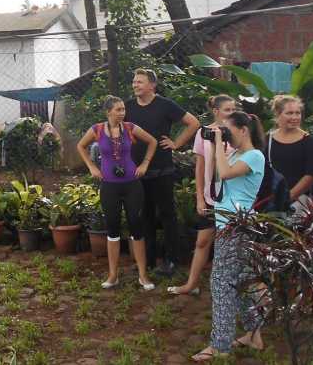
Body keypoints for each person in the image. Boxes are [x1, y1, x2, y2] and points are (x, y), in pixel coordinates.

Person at [193, 110, 266, 361]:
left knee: (221, 284)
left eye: (228, 130)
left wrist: (216, 142)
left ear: (243, 130)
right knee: (242, 282)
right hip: (231, 224)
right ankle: (254, 335)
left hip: (237, 228)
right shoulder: (236, 153)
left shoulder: (255, 156)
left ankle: (220, 346)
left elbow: (224, 174)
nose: (225, 134)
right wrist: (219, 142)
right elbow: (216, 173)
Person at [78, 95, 158, 291]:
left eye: (123, 109)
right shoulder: (97, 130)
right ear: (108, 112)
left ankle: (142, 275)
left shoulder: (130, 128)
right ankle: (113, 275)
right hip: (109, 185)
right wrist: (91, 167)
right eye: (118, 110)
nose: (122, 113)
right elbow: (80, 146)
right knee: (112, 228)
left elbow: (153, 142)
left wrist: (145, 163)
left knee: (136, 226)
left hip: (132, 184)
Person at [125, 68, 201, 276]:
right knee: (145, 216)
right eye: (134, 81)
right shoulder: (128, 107)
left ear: (152, 85)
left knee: (167, 216)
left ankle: (171, 260)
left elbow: (194, 123)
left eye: (140, 82)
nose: (135, 85)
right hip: (137, 171)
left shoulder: (165, 105)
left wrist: (176, 143)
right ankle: (148, 261)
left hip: (162, 169)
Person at [169, 94, 236, 296]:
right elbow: (200, 167)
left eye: (234, 110)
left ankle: (231, 289)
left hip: (233, 199)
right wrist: (199, 197)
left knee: (232, 245)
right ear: (216, 111)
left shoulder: (238, 132)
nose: (231, 114)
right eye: (227, 110)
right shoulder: (203, 133)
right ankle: (191, 284)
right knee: (202, 241)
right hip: (210, 197)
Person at [266, 94, 313, 212]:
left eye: (298, 113)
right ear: (277, 114)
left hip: (299, 202)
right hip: (272, 201)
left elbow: (311, 174)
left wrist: (288, 197)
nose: (295, 117)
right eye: (289, 113)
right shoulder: (268, 139)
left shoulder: (308, 141)